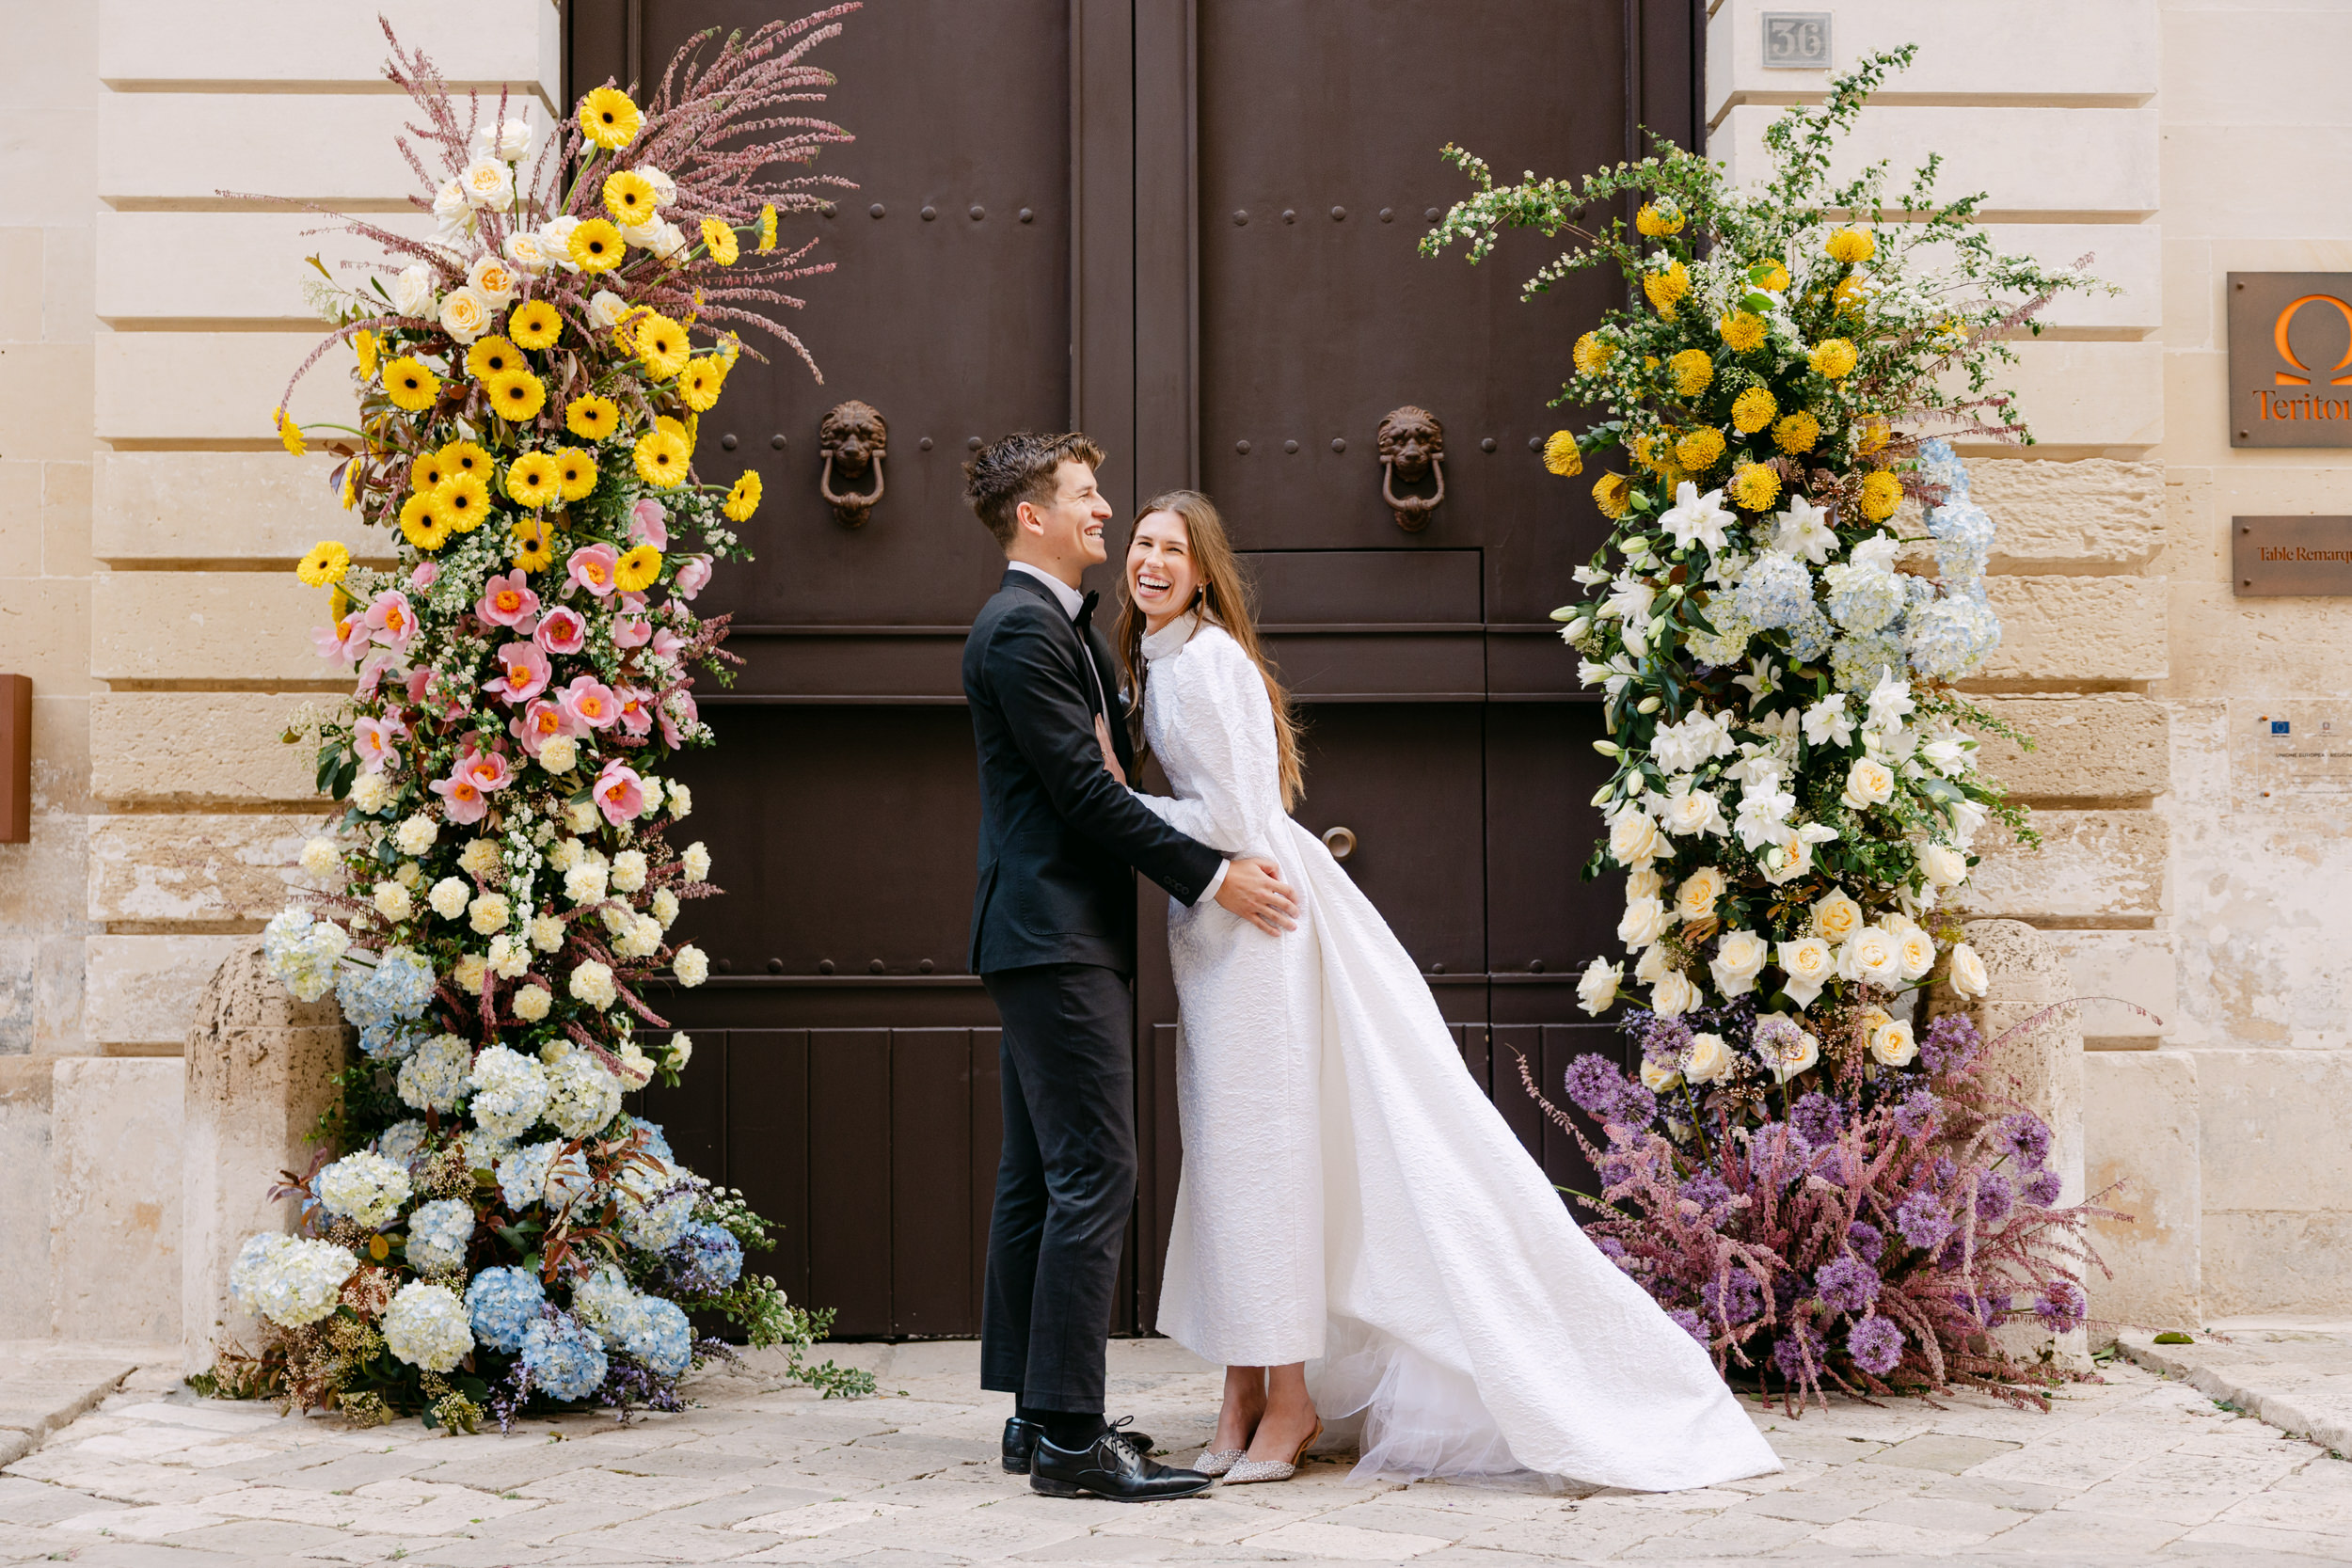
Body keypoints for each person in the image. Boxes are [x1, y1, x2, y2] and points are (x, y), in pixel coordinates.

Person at [1102, 489, 1783, 1491]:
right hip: (1216, 933)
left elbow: (1243, 813)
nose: (1151, 560)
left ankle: (1286, 1398)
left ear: (1204, 571)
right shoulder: (1161, 658)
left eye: (1173, 548)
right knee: (1231, 1158)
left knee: (1265, 1156)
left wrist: (1123, 797)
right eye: (1142, 543)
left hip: (1256, 927)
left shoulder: (1209, 662)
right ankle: (1242, 1389)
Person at [960, 436, 1302, 1502]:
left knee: (1036, 1176)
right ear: (1033, 517)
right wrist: (1211, 874)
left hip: (1051, 933)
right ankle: (1069, 1435)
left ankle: (1031, 1413)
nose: (1103, 509)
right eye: (1084, 496)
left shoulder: (1057, 626)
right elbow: (1085, 796)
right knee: (1094, 1173)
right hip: (1053, 935)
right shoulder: (1020, 629)